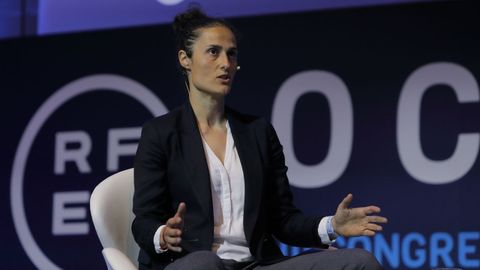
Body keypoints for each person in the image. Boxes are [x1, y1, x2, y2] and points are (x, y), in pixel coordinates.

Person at [132, 7, 387, 270]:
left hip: (255, 264)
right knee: (205, 263)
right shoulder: (161, 133)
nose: (225, 63)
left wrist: (332, 226)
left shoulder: (257, 132)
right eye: (213, 52)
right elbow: (143, 221)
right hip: (190, 262)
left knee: (359, 262)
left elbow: (283, 220)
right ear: (185, 59)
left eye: (232, 54)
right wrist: (162, 234)